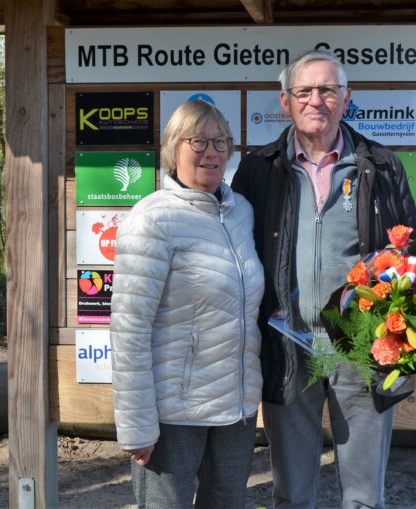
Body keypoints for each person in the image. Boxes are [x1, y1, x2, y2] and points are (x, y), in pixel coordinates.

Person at [231, 50, 416, 509]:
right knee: (291, 494)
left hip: (362, 347)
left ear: (346, 98)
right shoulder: (258, 169)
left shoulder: (382, 166)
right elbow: (236, 253)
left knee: (363, 496)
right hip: (286, 346)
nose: (315, 100)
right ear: (285, 101)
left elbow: (411, 255)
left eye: (328, 90)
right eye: (304, 91)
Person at [110, 100, 265, 509]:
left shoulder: (241, 213)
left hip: (236, 410)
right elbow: (130, 329)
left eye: (220, 142)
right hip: (173, 415)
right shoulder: (152, 220)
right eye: (198, 141)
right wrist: (137, 425)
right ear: (173, 148)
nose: (211, 152)